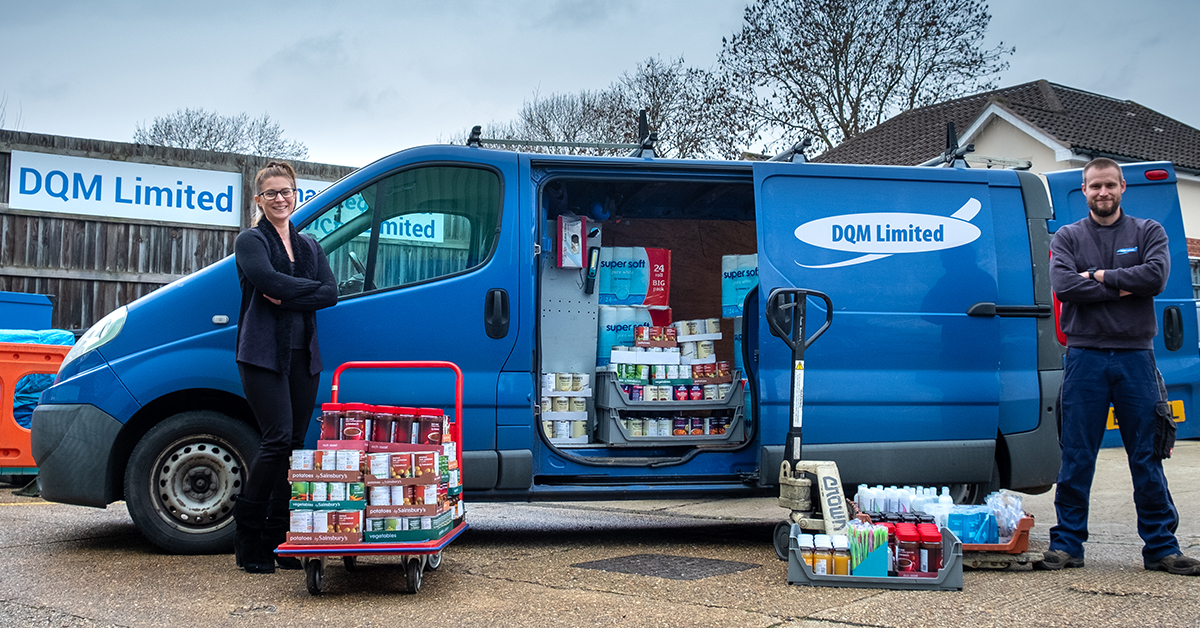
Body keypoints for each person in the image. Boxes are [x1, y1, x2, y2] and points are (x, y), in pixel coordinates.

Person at [1038, 157, 1199, 575]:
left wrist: (1099, 276)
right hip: (1085, 357)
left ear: (1122, 187)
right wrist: (1123, 282)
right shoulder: (1069, 237)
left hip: (1136, 358)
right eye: (1095, 187)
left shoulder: (1148, 231)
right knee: (1077, 456)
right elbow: (1064, 286)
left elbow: (1156, 278)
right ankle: (1068, 546)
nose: (1103, 193)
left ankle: (1162, 548)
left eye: (1110, 185)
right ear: (1085, 190)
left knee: (1147, 456)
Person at [233, 161, 337, 573]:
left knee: (294, 445)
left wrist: (289, 294)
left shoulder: (310, 245)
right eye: (272, 193)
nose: (280, 199)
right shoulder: (250, 241)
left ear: (297, 195)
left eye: (287, 191)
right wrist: (297, 291)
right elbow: (267, 282)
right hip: (261, 354)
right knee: (275, 441)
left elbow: (330, 294)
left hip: (303, 355)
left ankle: (281, 537)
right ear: (259, 200)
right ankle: (249, 538)